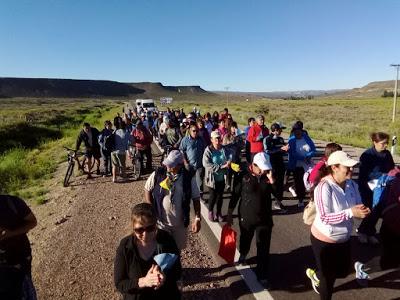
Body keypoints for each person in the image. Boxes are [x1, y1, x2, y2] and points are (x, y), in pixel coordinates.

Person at [306, 151, 370, 300]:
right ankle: (321, 279)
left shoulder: (352, 185)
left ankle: (318, 273)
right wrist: (350, 212)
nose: (351, 170)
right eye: (347, 167)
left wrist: (363, 210)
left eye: (352, 167)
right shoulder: (324, 187)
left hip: (344, 239)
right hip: (324, 240)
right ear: (334, 168)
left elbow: (357, 205)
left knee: (342, 271)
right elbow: (325, 217)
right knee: (328, 280)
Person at [227, 152, 275, 288]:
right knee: (245, 239)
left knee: (263, 248)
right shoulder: (243, 176)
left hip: (265, 219)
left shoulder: (268, 175)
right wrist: (230, 213)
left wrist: (272, 181)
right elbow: (235, 195)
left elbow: (278, 195)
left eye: (266, 168)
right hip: (247, 216)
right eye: (261, 168)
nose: (264, 170)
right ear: (253, 165)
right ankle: (243, 253)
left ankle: (262, 275)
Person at [114, 203, 181, 300]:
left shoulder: (167, 240)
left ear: (155, 225)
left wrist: (164, 277)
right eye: (139, 230)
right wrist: (144, 281)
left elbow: (177, 272)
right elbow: (120, 284)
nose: (145, 234)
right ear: (133, 228)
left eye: (150, 228)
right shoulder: (125, 247)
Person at [144, 150, 201, 250]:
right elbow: (147, 189)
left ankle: (176, 265)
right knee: (161, 249)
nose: (168, 167)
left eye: (171, 165)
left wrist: (197, 219)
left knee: (177, 250)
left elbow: (196, 198)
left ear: (180, 165)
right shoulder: (159, 173)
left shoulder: (188, 177)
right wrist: (151, 209)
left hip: (180, 224)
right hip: (161, 223)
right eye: (167, 164)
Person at [357, 132, 395, 244]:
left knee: (378, 210)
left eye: (387, 143)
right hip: (367, 187)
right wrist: (382, 175)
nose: (386, 145)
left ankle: (370, 232)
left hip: (383, 186)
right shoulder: (367, 155)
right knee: (370, 210)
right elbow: (364, 174)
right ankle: (362, 232)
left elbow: (391, 168)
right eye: (383, 143)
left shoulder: (387, 154)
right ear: (375, 142)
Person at [0, 195, 38, 299]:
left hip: (20, 259)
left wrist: (9, 234)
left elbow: (32, 222)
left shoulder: (12, 202)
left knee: (24, 291)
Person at [203, 130, 231, 222]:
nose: (218, 140)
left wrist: (229, 161)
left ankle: (218, 213)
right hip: (212, 179)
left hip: (222, 178)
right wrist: (221, 166)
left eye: (219, 138)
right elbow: (206, 164)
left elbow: (229, 156)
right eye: (216, 138)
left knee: (220, 197)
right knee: (213, 196)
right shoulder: (208, 150)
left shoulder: (223, 149)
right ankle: (210, 211)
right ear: (211, 139)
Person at [287, 122, 316, 207]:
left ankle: (312, 198)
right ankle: (300, 199)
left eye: (298, 131)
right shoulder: (291, 140)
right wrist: (303, 158)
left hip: (308, 164)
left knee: (310, 181)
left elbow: (313, 149)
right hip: (297, 164)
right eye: (295, 132)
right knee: (299, 182)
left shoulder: (306, 137)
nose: (297, 133)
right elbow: (292, 153)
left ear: (301, 131)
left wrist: (308, 156)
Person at [263, 122, 289, 211]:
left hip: (281, 164)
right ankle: (268, 202)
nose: (281, 131)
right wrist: (280, 149)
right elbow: (267, 151)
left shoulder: (281, 139)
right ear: (275, 130)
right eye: (280, 130)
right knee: (272, 184)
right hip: (272, 164)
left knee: (280, 184)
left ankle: (279, 202)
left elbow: (283, 150)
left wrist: (286, 149)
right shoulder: (267, 139)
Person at [380, 166, 400, 270]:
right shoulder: (398, 181)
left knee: (392, 259)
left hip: (392, 226)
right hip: (392, 227)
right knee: (389, 260)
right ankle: (363, 268)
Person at [179, 124, 206, 194]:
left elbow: (205, 150)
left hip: (200, 165)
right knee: (189, 181)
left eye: (197, 131)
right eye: (194, 131)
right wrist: (185, 163)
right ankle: (189, 194)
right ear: (190, 131)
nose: (195, 132)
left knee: (199, 182)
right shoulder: (185, 140)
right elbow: (182, 151)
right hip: (189, 165)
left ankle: (200, 195)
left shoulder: (202, 139)